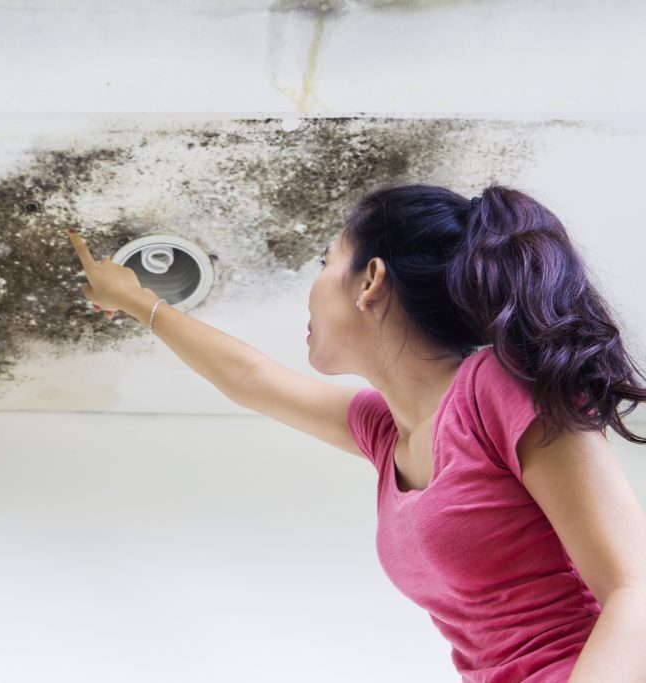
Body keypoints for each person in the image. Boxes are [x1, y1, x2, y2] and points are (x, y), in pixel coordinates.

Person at [66, 182, 646, 682]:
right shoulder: (385, 433)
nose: (312, 287)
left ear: (370, 280)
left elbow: (634, 591)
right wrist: (138, 303)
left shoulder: (499, 387)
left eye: (324, 262)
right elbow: (251, 379)